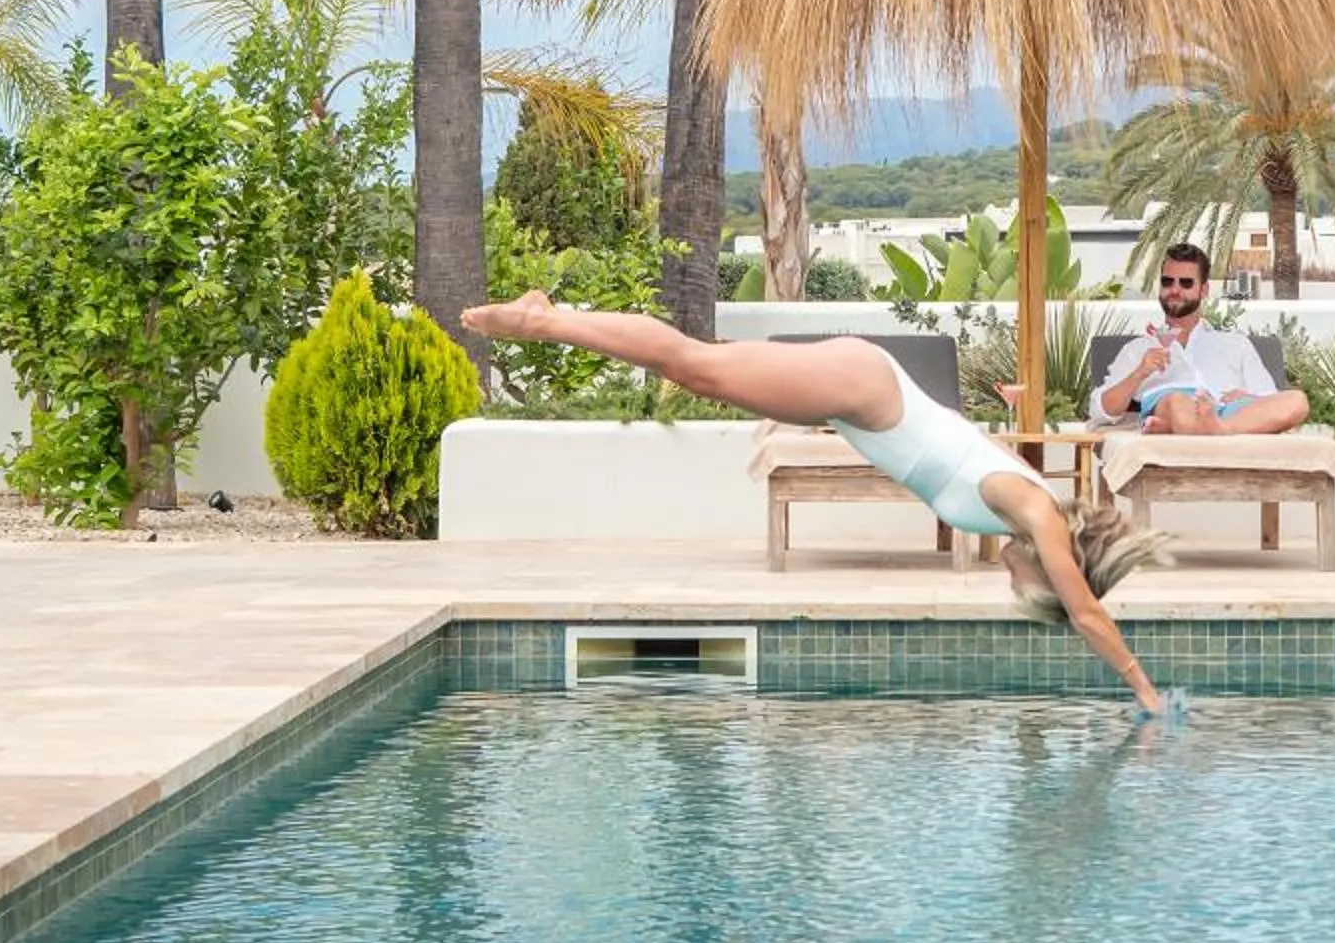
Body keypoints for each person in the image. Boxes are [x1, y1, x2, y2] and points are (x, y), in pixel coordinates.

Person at [463, 292, 1175, 714]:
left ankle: (553, 319)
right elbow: (1087, 613)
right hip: (865, 391)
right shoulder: (1037, 514)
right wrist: (1143, 690)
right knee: (694, 363)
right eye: (1033, 593)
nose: (1016, 590)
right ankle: (547, 320)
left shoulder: (1018, 508)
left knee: (698, 367)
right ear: (1056, 573)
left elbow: (959, 447)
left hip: (860, 400)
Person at [1091, 243, 1313, 434]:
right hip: (1175, 407)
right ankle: (1202, 429)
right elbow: (1101, 411)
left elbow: (1269, 399)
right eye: (1168, 282)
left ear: (1204, 290)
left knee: (1297, 400)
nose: (1175, 290)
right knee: (1176, 400)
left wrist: (1248, 396)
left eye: (1186, 283)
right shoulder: (1139, 349)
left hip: (1229, 413)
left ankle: (1217, 430)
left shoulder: (1235, 344)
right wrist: (1139, 374)